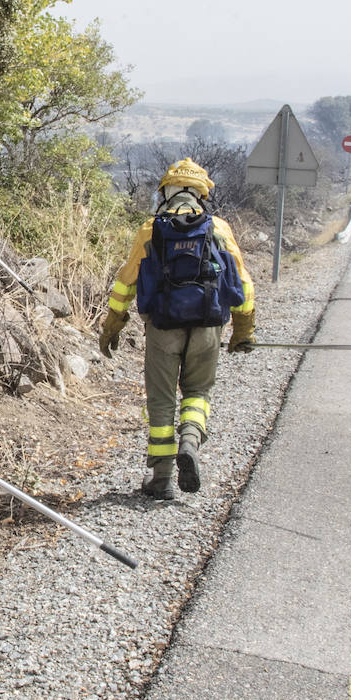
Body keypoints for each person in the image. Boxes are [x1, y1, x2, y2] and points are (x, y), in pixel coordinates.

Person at [97, 159, 255, 501]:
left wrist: (113, 326)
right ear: (202, 194)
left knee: (162, 400)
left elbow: (126, 283)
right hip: (208, 326)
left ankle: (163, 479)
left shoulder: (150, 229)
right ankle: (190, 440)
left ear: (164, 192)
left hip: (163, 326)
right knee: (198, 392)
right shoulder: (219, 229)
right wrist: (243, 330)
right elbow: (243, 283)